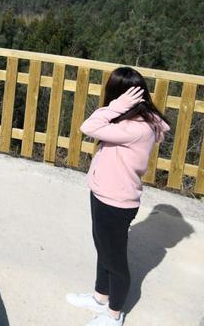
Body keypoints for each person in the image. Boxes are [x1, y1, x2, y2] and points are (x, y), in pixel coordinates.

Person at [66, 67, 170, 326]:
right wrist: (119, 108)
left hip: (116, 202)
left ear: (121, 96)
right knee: (103, 248)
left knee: (115, 260)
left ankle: (114, 314)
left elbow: (87, 126)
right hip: (104, 194)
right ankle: (100, 297)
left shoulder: (137, 128)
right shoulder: (131, 122)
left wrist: (114, 106)